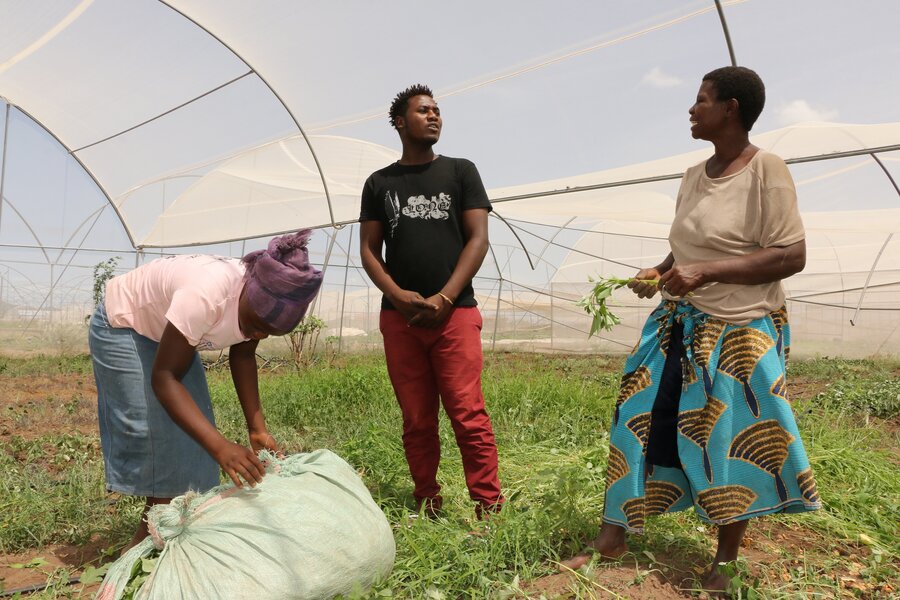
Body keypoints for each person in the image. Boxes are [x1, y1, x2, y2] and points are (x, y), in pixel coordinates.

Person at [561, 67, 821, 594]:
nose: (691, 108)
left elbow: (792, 255)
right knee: (637, 414)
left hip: (739, 328)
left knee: (724, 433)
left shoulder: (766, 169)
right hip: (678, 320)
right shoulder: (692, 176)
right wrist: (660, 272)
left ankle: (725, 558)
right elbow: (686, 250)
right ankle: (614, 534)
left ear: (731, 108)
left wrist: (709, 273)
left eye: (701, 100)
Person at [88, 230, 323, 550]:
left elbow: (243, 354)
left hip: (167, 332)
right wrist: (222, 447)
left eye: (268, 332)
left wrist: (257, 429)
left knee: (196, 434)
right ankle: (144, 548)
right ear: (246, 296)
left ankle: (176, 531)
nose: (258, 335)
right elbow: (164, 378)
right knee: (165, 436)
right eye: (256, 325)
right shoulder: (207, 295)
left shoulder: (258, 299)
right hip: (126, 322)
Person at [359, 84, 504, 519]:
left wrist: (446, 295)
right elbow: (369, 250)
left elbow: (478, 239)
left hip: (455, 315)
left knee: (468, 414)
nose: (435, 116)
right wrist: (397, 296)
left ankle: (488, 507)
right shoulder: (379, 183)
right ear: (400, 122)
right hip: (400, 320)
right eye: (424, 110)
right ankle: (428, 502)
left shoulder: (461, 172)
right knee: (417, 419)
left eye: (438, 110)